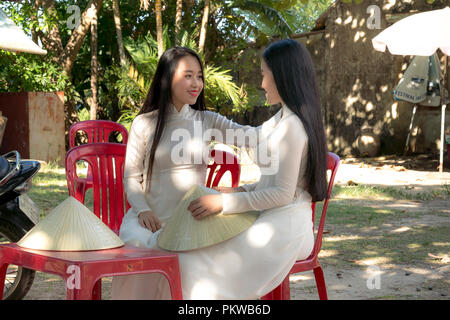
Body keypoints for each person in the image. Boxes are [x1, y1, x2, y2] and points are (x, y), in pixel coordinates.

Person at [111, 46, 257, 299]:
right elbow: (132, 177)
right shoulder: (145, 123)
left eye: (199, 76)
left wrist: (289, 128)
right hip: (151, 216)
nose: (196, 83)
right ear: (167, 78)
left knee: (223, 249)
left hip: (193, 217)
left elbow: (250, 136)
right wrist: (142, 209)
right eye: (188, 75)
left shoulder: (207, 121)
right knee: (140, 248)